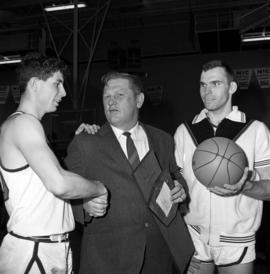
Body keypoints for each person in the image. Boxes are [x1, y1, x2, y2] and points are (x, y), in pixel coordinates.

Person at [65, 71, 194, 274]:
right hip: (108, 260)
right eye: (107, 97)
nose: (111, 102)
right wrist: (83, 204)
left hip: (158, 256)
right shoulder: (85, 143)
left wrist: (180, 188)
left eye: (119, 95)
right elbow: (64, 194)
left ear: (139, 100)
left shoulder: (163, 140)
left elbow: (175, 176)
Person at [0, 52, 108, 274]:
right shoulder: (24, 124)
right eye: (57, 84)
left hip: (42, 247)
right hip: (34, 251)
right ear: (35, 84)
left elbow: (42, 190)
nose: (64, 92)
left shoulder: (24, 126)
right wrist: (98, 188)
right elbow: (59, 183)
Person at [174, 59, 270, 274]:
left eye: (215, 83)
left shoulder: (255, 131)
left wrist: (244, 187)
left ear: (232, 87)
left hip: (236, 239)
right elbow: (176, 186)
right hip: (193, 237)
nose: (207, 91)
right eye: (202, 84)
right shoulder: (184, 132)